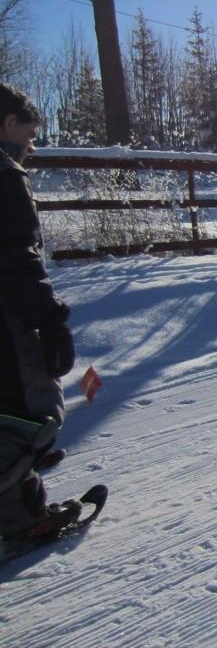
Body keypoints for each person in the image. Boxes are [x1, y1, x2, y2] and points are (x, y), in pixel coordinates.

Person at [0, 84, 79, 546]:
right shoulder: (5, 176)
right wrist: (49, 322)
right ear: (8, 123)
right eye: (29, 134)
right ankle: (18, 520)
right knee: (27, 413)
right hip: (6, 323)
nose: (31, 146)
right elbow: (16, 258)